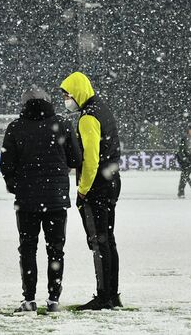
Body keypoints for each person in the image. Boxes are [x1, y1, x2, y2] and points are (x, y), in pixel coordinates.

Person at [0, 88, 81, 314]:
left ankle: (29, 299)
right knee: (56, 250)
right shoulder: (63, 124)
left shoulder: (15, 127)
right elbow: (75, 158)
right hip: (55, 199)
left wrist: (16, 186)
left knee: (28, 249)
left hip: (26, 200)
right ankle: (54, 299)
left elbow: (6, 165)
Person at [59, 71, 122, 310]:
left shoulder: (88, 117)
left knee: (99, 242)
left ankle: (103, 296)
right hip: (111, 180)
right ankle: (112, 294)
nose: (66, 99)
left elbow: (91, 158)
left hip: (97, 186)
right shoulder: (102, 109)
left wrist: (83, 189)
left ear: (77, 92)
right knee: (109, 241)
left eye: (67, 94)